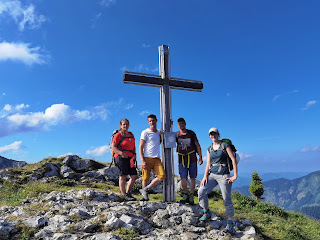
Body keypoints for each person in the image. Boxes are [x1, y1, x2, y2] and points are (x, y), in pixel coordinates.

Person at [198, 127, 238, 234]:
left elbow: (233, 159)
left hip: (224, 175)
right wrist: (205, 176)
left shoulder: (225, 146)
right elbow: (208, 164)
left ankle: (230, 223)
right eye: (211, 134)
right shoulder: (209, 148)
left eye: (214, 134)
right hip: (212, 174)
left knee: (226, 200)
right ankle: (206, 212)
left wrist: (235, 176)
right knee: (201, 191)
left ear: (218, 134)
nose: (213, 136)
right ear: (209, 136)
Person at [139, 114, 166, 201]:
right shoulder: (145, 132)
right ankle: (144, 197)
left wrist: (170, 124)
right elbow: (140, 147)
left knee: (161, 176)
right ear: (148, 122)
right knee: (145, 178)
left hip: (157, 159)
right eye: (150, 121)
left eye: (153, 120)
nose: (152, 122)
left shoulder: (159, 132)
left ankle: (145, 189)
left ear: (156, 120)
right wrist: (142, 160)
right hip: (147, 158)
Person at [176, 117, 203, 205]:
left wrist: (200, 156)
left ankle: (191, 195)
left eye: (183, 123)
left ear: (185, 124)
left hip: (192, 158)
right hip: (182, 159)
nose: (181, 125)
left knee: (192, 177)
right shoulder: (176, 134)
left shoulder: (191, 133)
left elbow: (197, 144)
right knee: (183, 177)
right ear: (178, 125)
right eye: (180, 124)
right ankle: (185, 194)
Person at [111, 118, 138, 201]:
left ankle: (128, 193)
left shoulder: (131, 135)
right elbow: (113, 147)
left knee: (134, 176)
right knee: (123, 175)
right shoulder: (118, 135)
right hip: (120, 157)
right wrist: (121, 153)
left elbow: (133, 146)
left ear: (129, 125)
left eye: (126, 124)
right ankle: (123, 194)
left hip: (130, 158)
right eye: (123, 124)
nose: (125, 126)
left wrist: (134, 154)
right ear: (120, 126)